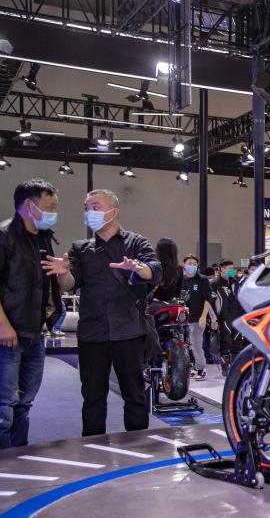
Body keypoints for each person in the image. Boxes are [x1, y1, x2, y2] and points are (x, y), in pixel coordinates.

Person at [43, 189, 159, 436]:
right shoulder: (81, 248)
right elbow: (70, 284)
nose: (89, 213)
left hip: (128, 331)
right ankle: (92, 446)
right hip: (92, 333)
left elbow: (154, 270)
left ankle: (139, 444)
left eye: (95, 207)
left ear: (113, 212)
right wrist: (63, 272)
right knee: (93, 397)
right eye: (86, 208)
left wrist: (138, 268)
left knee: (135, 395)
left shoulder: (136, 242)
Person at [0, 180, 63, 448]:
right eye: (49, 207)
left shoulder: (44, 238)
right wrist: (3, 325)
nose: (53, 213)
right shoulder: (5, 236)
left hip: (35, 332)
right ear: (28, 205)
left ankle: (19, 456)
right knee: (4, 405)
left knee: (25, 402)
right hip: (8, 335)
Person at [180, 254, 212, 382]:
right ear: (184, 265)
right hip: (183, 318)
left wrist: (204, 316)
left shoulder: (202, 280)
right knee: (185, 345)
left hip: (198, 317)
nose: (192, 266)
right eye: (190, 263)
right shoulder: (181, 280)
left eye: (194, 264)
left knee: (196, 343)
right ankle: (191, 367)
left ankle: (201, 369)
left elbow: (207, 299)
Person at [210, 259, 243, 374]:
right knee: (225, 344)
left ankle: (236, 369)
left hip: (237, 317)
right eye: (229, 269)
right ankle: (225, 368)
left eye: (232, 268)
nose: (232, 271)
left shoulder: (236, 282)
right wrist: (214, 319)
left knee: (237, 344)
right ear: (222, 269)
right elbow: (210, 303)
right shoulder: (215, 283)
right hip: (224, 318)